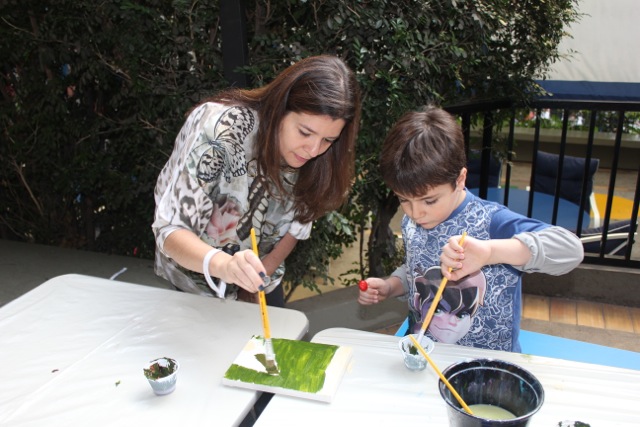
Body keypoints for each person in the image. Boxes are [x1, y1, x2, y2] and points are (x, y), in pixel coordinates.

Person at [357, 106, 583, 352]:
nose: (415, 212)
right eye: (403, 199)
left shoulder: (491, 222)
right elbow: (417, 268)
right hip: (424, 355)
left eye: (429, 200)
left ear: (460, 179)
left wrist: (490, 252)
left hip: (488, 367)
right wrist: (391, 286)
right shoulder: (413, 222)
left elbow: (571, 250)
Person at [152, 55, 361, 307]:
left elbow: (297, 227)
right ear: (279, 107)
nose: (313, 149)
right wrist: (225, 266)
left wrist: (256, 280)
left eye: (328, 140)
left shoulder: (322, 161)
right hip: (184, 286)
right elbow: (170, 231)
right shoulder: (220, 128)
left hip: (254, 285)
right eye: (305, 132)